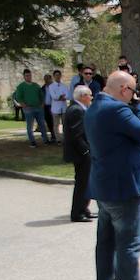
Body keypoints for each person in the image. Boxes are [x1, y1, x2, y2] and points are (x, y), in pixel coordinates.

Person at [84, 70, 140, 280]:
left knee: (106, 243)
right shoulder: (117, 110)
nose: (132, 96)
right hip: (122, 187)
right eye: (132, 91)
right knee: (129, 243)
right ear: (123, 90)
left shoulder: (95, 106)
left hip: (105, 185)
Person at [63, 86, 95, 222]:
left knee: (87, 182)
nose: (91, 97)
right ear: (82, 96)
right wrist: (86, 151)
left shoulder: (80, 108)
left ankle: (84, 208)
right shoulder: (76, 110)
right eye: (89, 95)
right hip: (80, 154)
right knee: (82, 183)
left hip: (83, 152)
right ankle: (77, 213)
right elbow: (77, 135)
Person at [14, 69, 51, 147]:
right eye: (27, 76)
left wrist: (42, 104)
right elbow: (18, 97)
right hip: (28, 109)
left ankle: (45, 140)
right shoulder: (21, 86)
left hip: (38, 108)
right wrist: (23, 104)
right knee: (30, 126)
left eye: (30, 75)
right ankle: (32, 141)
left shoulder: (36, 85)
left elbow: (41, 95)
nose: (29, 77)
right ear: (24, 76)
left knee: (42, 124)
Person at [47, 69, 69, 140]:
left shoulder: (64, 86)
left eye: (59, 75)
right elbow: (54, 96)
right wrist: (60, 96)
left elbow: (68, 95)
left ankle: (65, 138)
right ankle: (58, 139)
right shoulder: (51, 86)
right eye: (56, 75)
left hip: (63, 107)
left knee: (65, 124)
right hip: (55, 108)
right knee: (56, 125)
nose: (58, 77)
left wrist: (62, 97)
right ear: (54, 76)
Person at [41, 73, 58, 144]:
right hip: (46, 106)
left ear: (51, 79)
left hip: (53, 106)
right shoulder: (43, 88)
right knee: (49, 122)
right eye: (45, 79)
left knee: (54, 122)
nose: (46, 81)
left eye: (47, 79)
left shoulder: (55, 87)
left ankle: (57, 136)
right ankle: (53, 136)